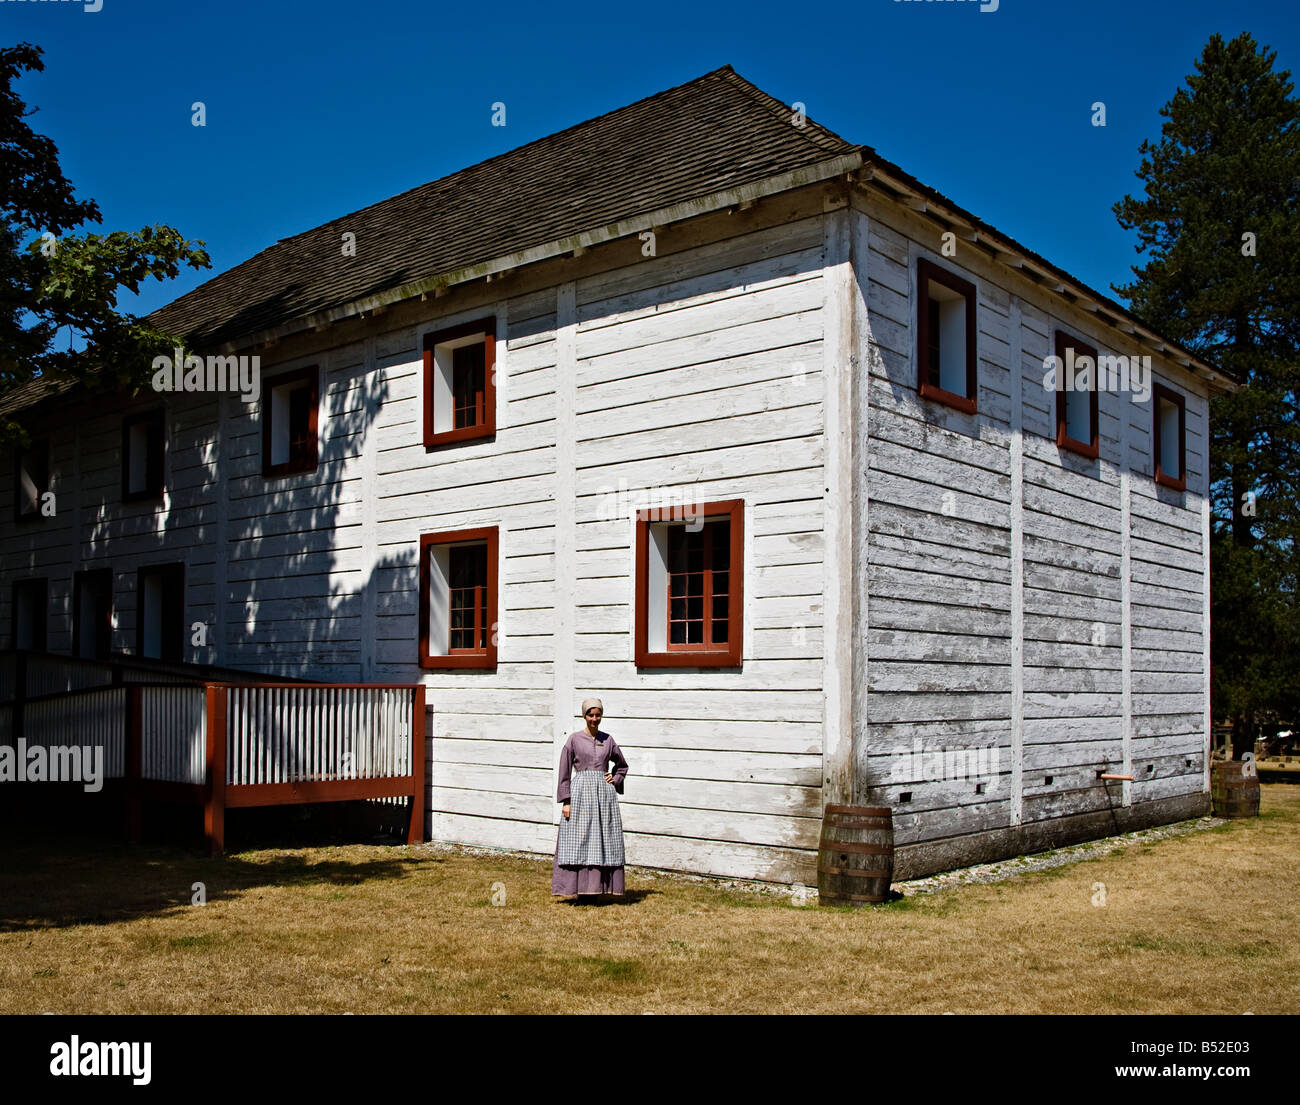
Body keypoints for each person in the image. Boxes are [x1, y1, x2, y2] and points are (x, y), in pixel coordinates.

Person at [552, 698, 628, 900]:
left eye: (598, 715)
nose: (595, 719)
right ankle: (576, 888)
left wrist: (616, 777)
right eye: (590, 715)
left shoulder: (608, 740)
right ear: (584, 716)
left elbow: (622, 765)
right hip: (580, 794)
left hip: (604, 797)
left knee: (603, 839)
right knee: (579, 839)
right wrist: (566, 801)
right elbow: (564, 771)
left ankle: (598, 889)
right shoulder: (574, 740)